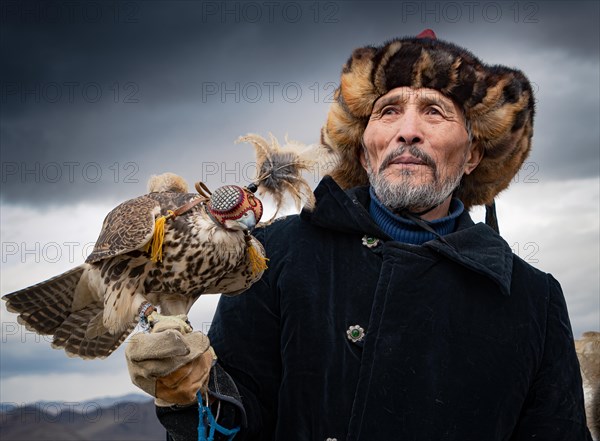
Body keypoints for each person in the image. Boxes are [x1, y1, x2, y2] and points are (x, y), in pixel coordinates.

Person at [126, 30, 592, 440]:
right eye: (388, 111)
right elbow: (235, 422)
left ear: (472, 155)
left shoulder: (532, 299)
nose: (407, 131)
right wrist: (189, 399)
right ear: (365, 151)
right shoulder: (274, 256)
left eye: (435, 111)